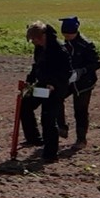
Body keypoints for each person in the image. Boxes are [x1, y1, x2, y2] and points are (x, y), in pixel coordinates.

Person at [20, 21, 70, 161]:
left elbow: (66, 72)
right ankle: (34, 138)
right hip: (42, 85)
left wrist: (53, 84)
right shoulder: (39, 48)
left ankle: (50, 154)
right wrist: (29, 81)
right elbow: (37, 66)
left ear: (43, 35)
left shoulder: (60, 50)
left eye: (35, 39)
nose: (34, 42)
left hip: (57, 88)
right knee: (25, 105)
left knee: (48, 118)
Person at [58, 16, 100, 150]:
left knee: (80, 110)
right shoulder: (63, 45)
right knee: (56, 98)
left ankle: (81, 139)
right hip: (68, 81)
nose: (67, 36)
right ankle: (61, 127)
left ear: (76, 32)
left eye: (69, 34)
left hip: (84, 83)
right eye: (64, 34)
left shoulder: (86, 45)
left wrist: (82, 71)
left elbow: (97, 63)